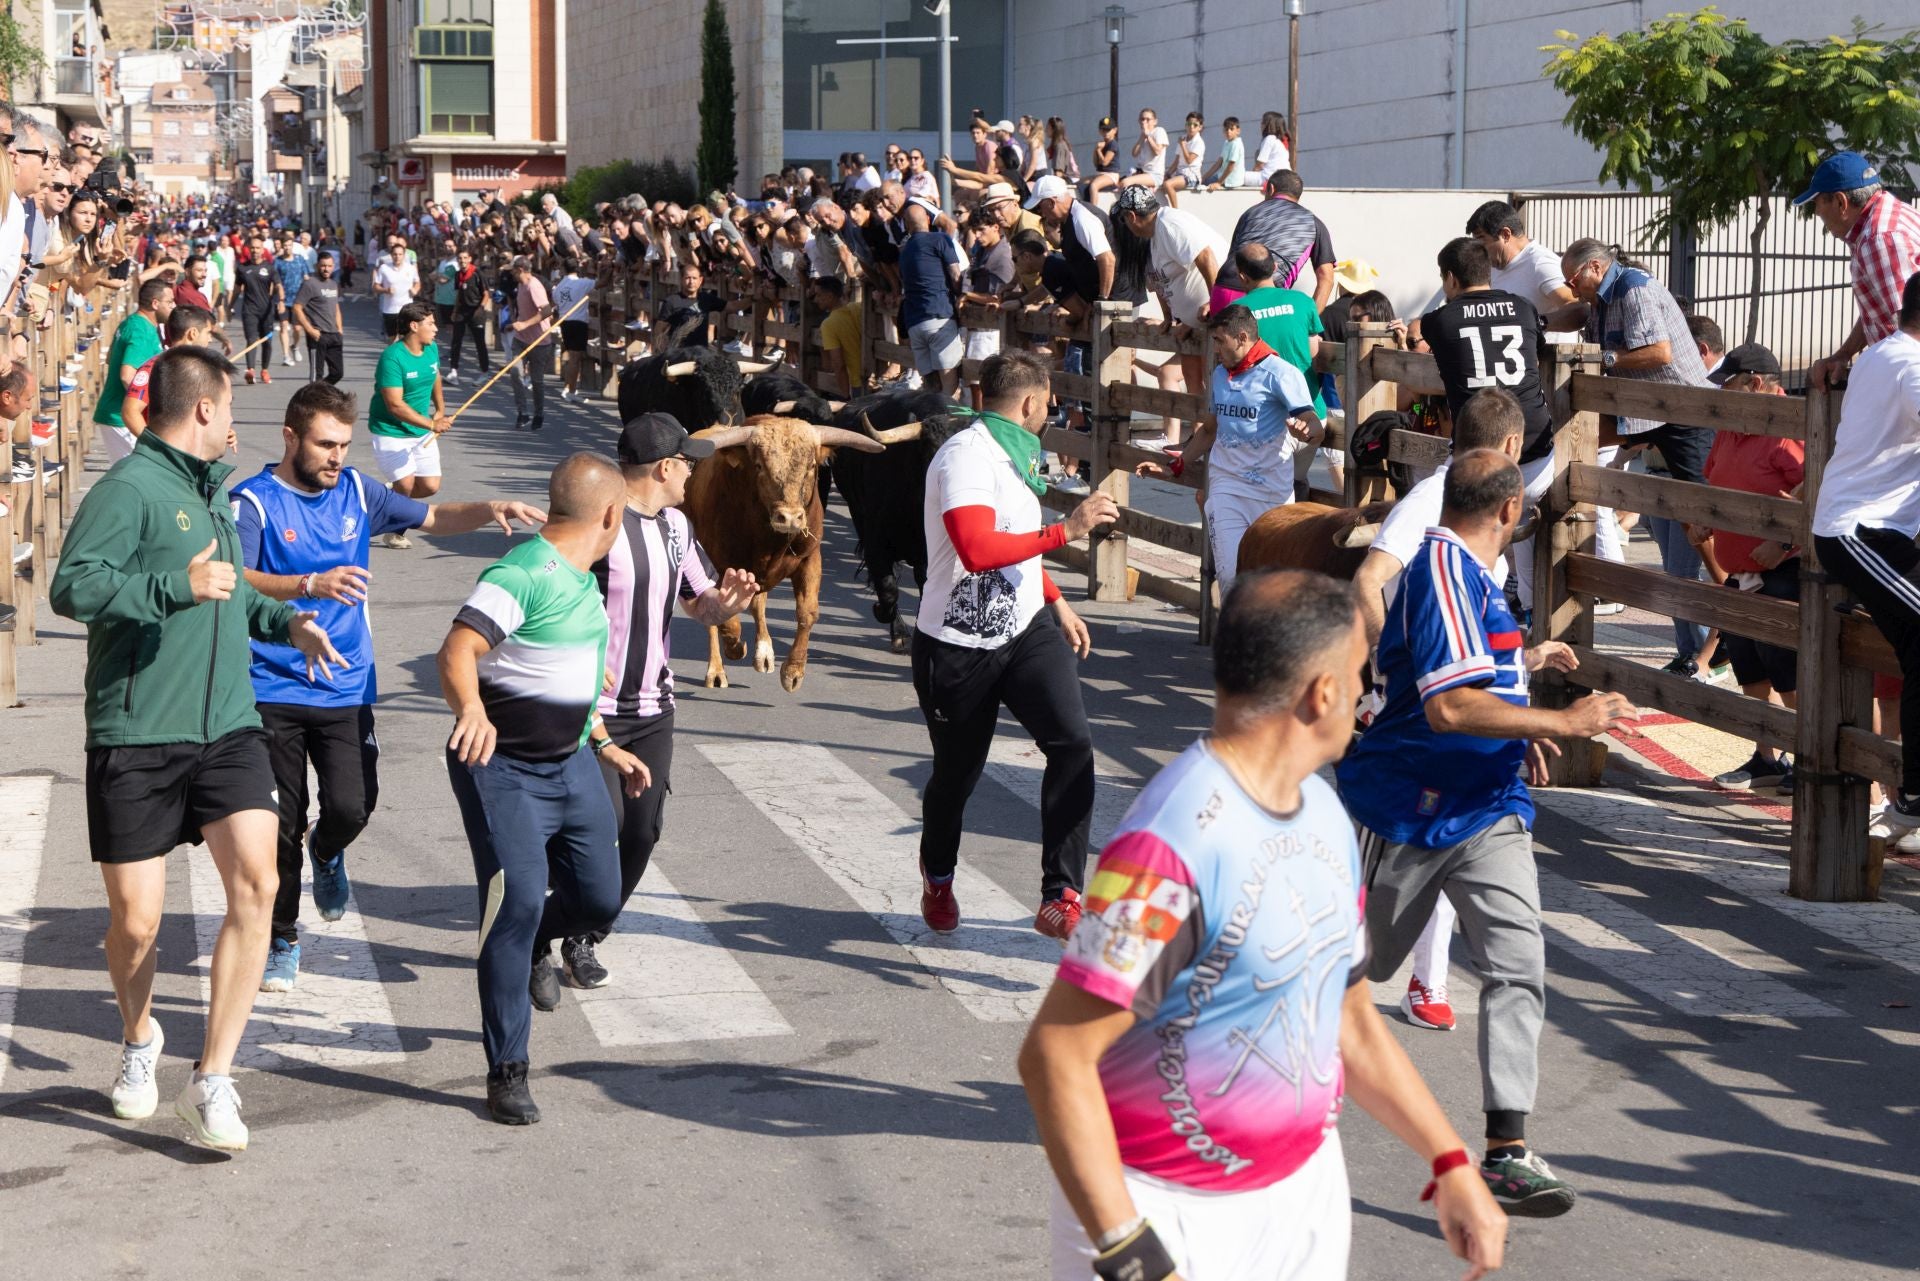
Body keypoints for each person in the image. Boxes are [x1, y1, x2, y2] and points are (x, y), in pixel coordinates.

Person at [1021, 569, 1508, 1281]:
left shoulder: (1325, 815)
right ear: (1323, 692)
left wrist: (1450, 1159)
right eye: (1362, 674)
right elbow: (1054, 1055)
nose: (1371, 693)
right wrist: (1136, 1258)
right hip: (1164, 1211)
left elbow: (1350, 1020)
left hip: (1301, 1200)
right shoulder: (1172, 844)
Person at [49, 346, 345, 1151]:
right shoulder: (130, 489)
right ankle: (141, 1038)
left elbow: (234, 593)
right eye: (230, 407)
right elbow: (72, 584)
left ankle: (213, 1077)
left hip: (229, 727)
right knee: (136, 925)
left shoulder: (217, 495)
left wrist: (288, 622)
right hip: (137, 729)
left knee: (258, 880)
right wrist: (174, 586)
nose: (237, 421)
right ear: (205, 408)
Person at [1339, 449, 1636, 1217]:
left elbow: (1481, 676)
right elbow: (1446, 707)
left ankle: (1506, 1147)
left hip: (1491, 805)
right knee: (1337, 974)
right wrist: (1561, 719)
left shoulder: (1474, 576)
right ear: (1510, 510)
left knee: (1518, 961)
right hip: (1409, 808)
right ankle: (1226, 1066)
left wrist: (1521, 702)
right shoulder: (1442, 571)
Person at [233, 381, 546, 992]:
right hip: (271, 685)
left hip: (348, 686)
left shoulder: (356, 490)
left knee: (352, 806)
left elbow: (430, 517)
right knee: (280, 826)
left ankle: (330, 851)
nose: (337, 457)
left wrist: (488, 508)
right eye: (325, 445)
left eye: (345, 445)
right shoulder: (254, 501)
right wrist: (307, 586)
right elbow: (237, 578)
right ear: (291, 438)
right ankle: (283, 938)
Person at [438, 452, 650, 1125]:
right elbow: (456, 649)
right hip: (504, 770)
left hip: (572, 762)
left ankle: (538, 942)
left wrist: (607, 744)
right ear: (610, 515)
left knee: (598, 896)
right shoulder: (523, 572)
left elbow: (576, 683)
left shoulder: (585, 583)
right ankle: (507, 1070)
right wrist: (471, 709)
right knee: (516, 902)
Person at [913, 352, 1118, 938]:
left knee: (1073, 744)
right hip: (956, 642)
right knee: (957, 777)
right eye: (1048, 404)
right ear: (1030, 403)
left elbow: (1013, 536)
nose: (1048, 415)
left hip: (1025, 628)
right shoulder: (966, 458)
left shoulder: (1016, 455)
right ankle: (939, 875)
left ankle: (1061, 894)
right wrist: (1069, 531)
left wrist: (1053, 597)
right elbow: (978, 549)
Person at [552, 414, 760, 991]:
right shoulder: (601, 525)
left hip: (652, 709)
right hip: (592, 709)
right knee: (598, 830)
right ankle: (543, 919)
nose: (694, 472)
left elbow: (703, 606)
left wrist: (731, 602)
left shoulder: (675, 527)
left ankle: (584, 935)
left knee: (641, 833)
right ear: (665, 467)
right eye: (687, 462)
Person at [1349, 389, 1530, 1032]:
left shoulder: (1474, 504)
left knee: (1456, 832)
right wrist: (1385, 671)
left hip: (1454, 719)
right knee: (1395, 860)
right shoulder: (1433, 504)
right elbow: (1369, 578)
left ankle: (1427, 980)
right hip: (1413, 713)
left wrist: (1517, 674)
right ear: (1509, 448)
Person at [1559, 238, 1716, 672]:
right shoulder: (1599, 299)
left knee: (1700, 522)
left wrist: (1601, 358)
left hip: (1682, 413)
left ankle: (1731, 611)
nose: (1572, 290)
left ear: (1595, 267)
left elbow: (1659, 352)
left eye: (1574, 280)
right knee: (1573, 447)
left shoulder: (1634, 289)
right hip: (1647, 412)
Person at [1812, 272, 1920, 834]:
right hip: (1860, 534)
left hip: (1875, 533)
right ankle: (1913, 798)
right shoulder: (1910, 366)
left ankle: (1908, 803)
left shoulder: (1880, 353)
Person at [1137, 304, 1321, 588]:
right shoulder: (1221, 375)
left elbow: (1314, 425)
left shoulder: (1281, 374)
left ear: (1243, 337)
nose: (1216, 350)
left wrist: (1306, 431)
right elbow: (1209, 430)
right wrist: (1175, 466)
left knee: (1272, 585)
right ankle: (1231, 631)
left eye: (1220, 342)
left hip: (1272, 495)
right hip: (1227, 489)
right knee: (1231, 579)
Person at [1687, 343, 1802, 792]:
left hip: (1783, 569)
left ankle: (1805, 760)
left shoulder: (1788, 427)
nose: (1723, 396)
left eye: (1730, 385)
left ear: (1754, 384)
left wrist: (1783, 540)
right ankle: (1766, 757)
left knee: (1788, 670)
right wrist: (1702, 518)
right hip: (1740, 569)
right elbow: (1714, 479)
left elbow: (1813, 488)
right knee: (1751, 669)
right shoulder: (1733, 426)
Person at [1421, 238, 1556, 610]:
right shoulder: (1524, 308)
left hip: (1480, 454)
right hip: (1536, 448)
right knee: (1524, 539)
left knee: (1452, 527)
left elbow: (1423, 336)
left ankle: (1472, 608)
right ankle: (1528, 615)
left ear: (1450, 278)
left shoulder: (1441, 319)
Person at [1114, 185, 1227, 443]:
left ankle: (1214, 442)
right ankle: (1197, 439)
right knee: (1192, 380)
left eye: (1123, 219)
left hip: (1214, 319)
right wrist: (1171, 317)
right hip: (1193, 323)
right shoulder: (1153, 239)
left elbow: (1206, 257)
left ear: (1131, 217)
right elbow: (1163, 284)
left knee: (1214, 385)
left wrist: (1216, 301)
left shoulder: (1170, 224)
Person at [1801, 152, 1920, 390]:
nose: (1816, 213)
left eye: (1817, 202)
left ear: (1840, 202)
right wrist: (1844, 353)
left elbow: (1911, 326)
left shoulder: (1879, 239)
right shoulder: (1886, 219)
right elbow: (1879, 310)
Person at [367, 301, 450, 538]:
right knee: (405, 485)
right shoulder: (392, 358)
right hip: (389, 430)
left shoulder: (431, 348)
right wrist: (433, 425)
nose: (436, 329)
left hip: (420, 429)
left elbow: (435, 375)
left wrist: (440, 409)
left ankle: (386, 498)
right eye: (431, 323)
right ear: (414, 326)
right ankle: (395, 531)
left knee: (430, 486)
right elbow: (395, 405)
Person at [1216, 170, 1335, 306]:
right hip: (1267, 297)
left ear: (1271, 188)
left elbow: (1233, 255)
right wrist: (1311, 320)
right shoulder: (1314, 224)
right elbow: (1326, 278)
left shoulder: (1249, 213)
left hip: (1224, 288)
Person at [93, 277, 174, 462]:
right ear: (155, 303)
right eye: (169, 302)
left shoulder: (131, 322)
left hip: (116, 414)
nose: (173, 306)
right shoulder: (142, 330)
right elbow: (126, 375)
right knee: (138, 478)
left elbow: (109, 358)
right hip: (121, 417)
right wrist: (149, 405)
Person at [897, 201, 966, 396]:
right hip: (939, 316)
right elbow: (955, 275)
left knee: (929, 386)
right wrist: (963, 295)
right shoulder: (940, 239)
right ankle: (947, 423)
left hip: (915, 324)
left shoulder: (904, 251)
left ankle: (929, 419)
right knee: (950, 385)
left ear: (907, 226)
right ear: (928, 219)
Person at [121, 304, 220, 437]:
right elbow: (130, 411)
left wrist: (220, 433)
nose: (210, 339)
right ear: (193, 333)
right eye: (208, 333)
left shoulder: (198, 367)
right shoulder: (157, 367)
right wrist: (155, 447)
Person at [291, 249, 345, 385]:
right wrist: (310, 330)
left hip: (334, 335)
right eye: (323, 266)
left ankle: (318, 393)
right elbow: (297, 307)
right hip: (318, 335)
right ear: (317, 266)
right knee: (317, 375)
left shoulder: (333, 284)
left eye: (329, 266)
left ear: (333, 266)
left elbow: (336, 308)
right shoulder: (310, 284)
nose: (326, 269)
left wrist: (340, 329)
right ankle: (313, 402)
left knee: (337, 373)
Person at [234, 233, 280, 382]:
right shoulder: (242, 268)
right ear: (248, 249)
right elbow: (236, 288)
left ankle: (265, 370)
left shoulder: (270, 267)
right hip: (249, 309)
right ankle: (251, 370)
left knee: (267, 341)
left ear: (262, 249)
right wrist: (229, 306)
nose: (255, 250)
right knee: (252, 339)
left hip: (267, 310)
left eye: (258, 248)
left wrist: (281, 300)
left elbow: (278, 285)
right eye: (252, 248)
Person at [812, 274, 864, 397]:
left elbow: (838, 364)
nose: (815, 300)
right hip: (876, 379)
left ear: (830, 296)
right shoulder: (859, 308)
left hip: (858, 382)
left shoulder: (828, 324)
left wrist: (846, 396)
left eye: (819, 295)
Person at [552, 253, 594, 402]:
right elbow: (601, 283)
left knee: (571, 356)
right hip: (578, 322)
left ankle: (567, 387)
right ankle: (571, 391)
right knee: (575, 358)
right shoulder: (583, 283)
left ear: (563, 268)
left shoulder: (559, 287)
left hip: (566, 322)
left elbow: (556, 301)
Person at [447, 247, 491, 377]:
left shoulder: (477, 273)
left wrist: (480, 308)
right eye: (460, 258)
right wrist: (455, 311)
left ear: (470, 259)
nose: (462, 261)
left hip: (476, 311)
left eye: (465, 258)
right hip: (462, 311)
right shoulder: (458, 274)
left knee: (479, 342)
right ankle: (453, 370)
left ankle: (484, 371)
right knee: (456, 340)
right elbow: (459, 293)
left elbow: (486, 294)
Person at [273, 235, 311, 368]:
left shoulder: (300, 260)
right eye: (285, 245)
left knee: (297, 328)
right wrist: (275, 298)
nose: (287, 248)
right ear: (282, 246)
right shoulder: (278, 262)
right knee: (283, 326)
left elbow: (306, 277)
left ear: (292, 246)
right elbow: (274, 281)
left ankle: (295, 346)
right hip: (283, 300)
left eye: (289, 245)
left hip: (298, 300)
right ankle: (286, 356)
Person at [373, 240, 420, 339]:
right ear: (391, 255)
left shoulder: (411, 268)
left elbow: (417, 282)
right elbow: (375, 286)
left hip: (406, 309)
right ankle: (394, 354)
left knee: (405, 338)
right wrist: (386, 290)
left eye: (400, 254)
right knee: (393, 339)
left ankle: (404, 355)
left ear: (404, 255)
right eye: (395, 254)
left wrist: (415, 289)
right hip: (390, 309)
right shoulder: (384, 268)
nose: (397, 257)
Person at [1159, 111, 1207, 206]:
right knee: (1160, 183)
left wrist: (1183, 145)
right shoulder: (1183, 138)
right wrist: (1167, 174)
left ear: (1200, 127)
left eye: (1195, 125)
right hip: (1180, 173)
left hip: (1192, 175)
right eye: (1189, 124)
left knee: (1168, 184)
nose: (1191, 127)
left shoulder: (1199, 143)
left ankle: (1175, 210)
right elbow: (1177, 161)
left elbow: (1189, 160)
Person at [1248, 110, 1293, 188]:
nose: (1261, 125)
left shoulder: (1269, 139)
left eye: (1263, 122)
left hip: (1270, 177)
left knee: (1237, 177)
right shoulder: (1281, 141)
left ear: (1269, 125)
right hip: (1286, 178)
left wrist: (1253, 172)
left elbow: (1260, 165)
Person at [1203, 116, 1245, 191]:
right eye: (1226, 129)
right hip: (1223, 177)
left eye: (1231, 129)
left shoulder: (1236, 144)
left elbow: (1231, 166)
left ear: (1238, 131)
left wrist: (1219, 183)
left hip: (1231, 181)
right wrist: (1205, 176)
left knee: (1205, 186)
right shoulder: (1227, 143)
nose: (1228, 131)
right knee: (1203, 181)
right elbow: (1219, 163)